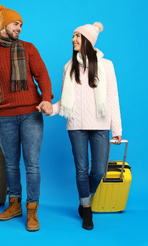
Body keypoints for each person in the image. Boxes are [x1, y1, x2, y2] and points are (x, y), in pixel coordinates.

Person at [38, 22, 122, 230]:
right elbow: (65, 102)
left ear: (88, 40)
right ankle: (86, 208)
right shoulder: (69, 66)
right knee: (81, 169)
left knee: (99, 170)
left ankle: (85, 197)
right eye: (73, 36)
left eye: (77, 36)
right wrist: (50, 109)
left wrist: (117, 129)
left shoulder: (107, 66)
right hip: (76, 125)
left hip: (100, 124)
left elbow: (113, 99)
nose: (73, 39)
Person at [0, 4, 53, 232]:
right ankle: (14, 205)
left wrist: (47, 99)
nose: (19, 27)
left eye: (21, 24)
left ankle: (32, 210)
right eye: (15, 23)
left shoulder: (28, 49)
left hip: (31, 113)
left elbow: (43, 75)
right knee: (11, 165)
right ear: (3, 26)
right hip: (5, 116)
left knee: (31, 165)